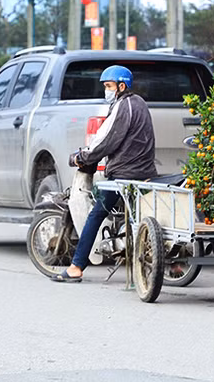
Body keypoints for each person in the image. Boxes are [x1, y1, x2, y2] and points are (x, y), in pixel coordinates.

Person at [52, 65, 157, 283]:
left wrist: (83, 157)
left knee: (97, 213)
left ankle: (76, 267)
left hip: (125, 175)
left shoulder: (123, 106)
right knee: (143, 216)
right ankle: (171, 263)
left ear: (122, 86)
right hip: (145, 171)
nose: (106, 90)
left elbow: (106, 140)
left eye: (109, 86)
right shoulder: (140, 103)